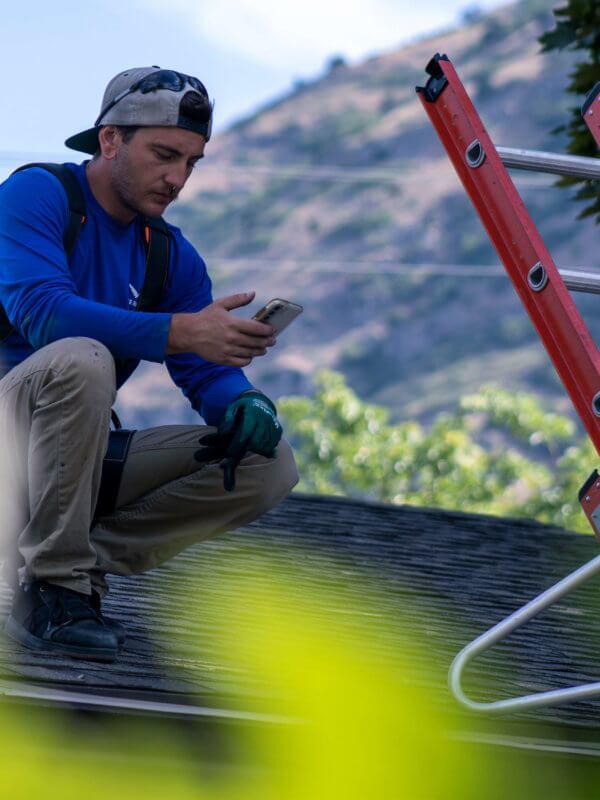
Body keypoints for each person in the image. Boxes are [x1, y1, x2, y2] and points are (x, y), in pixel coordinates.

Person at [0, 67, 298, 662]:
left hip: (63, 473)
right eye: (165, 155)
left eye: (192, 162)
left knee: (268, 463)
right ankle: (56, 587)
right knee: (82, 360)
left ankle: (63, 566)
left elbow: (208, 371)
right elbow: (43, 314)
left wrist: (245, 401)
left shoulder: (168, 255)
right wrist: (181, 330)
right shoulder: (37, 195)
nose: (178, 178)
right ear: (110, 140)